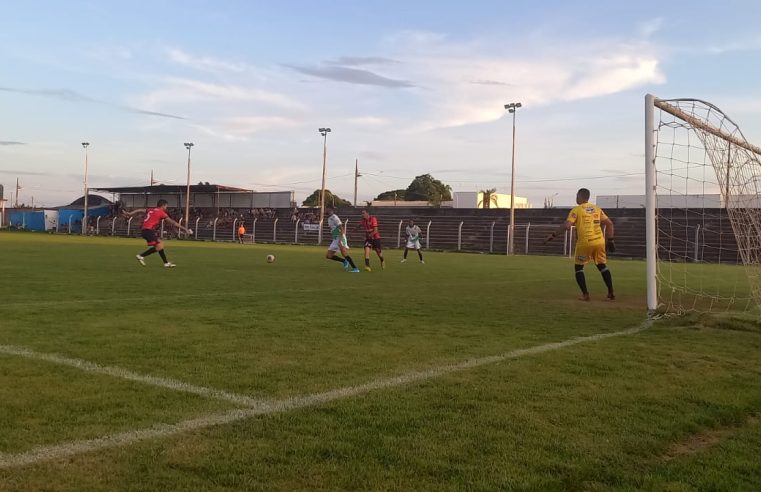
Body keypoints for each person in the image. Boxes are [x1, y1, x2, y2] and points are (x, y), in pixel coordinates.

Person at [546, 188, 615, 301]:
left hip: (585, 243)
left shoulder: (576, 210)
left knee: (579, 267)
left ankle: (585, 294)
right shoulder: (597, 209)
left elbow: (567, 226)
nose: (576, 198)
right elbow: (610, 224)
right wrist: (611, 240)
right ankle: (611, 292)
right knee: (602, 265)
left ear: (580, 196)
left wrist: (553, 235)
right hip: (599, 241)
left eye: (576, 196)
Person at [123, 199, 192, 268]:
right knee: (160, 245)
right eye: (166, 206)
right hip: (148, 230)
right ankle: (141, 256)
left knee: (159, 245)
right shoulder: (161, 213)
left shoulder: (151, 210)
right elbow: (173, 222)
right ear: (163, 205)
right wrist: (185, 229)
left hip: (145, 230)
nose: (166, 208)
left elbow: (140, 210)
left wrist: (130, 214)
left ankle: (166, 263)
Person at [325, 205, 359, 273]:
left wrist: (340, 240)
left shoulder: (335, 217)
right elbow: (334, 229)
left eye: (326, 209)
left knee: (344, 253)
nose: (325, 210)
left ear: (330, 209)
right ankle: (344, 261)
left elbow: (342, 228)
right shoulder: (329, 218)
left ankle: (355, 268)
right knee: (329, 256)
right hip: (335, 239)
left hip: (340, 238)